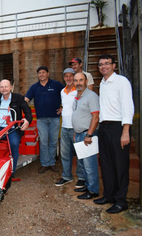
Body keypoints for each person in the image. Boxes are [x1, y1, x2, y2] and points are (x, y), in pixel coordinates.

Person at [93, 54, 134, 214]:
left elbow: (128, 107)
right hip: (104, 127)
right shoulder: (102, 83)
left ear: (113, 65)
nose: (103, 66)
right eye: (101, 64)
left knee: (120, 165)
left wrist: (125, 131)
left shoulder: (122, 82)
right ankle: (109, 195)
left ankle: (121, 200)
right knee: (107, 164)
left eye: (107, 64)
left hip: (118, 127)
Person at [0, 80, 32, 181]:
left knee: (13, 143)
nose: (4, 89)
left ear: (10, 87)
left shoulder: (18, 98)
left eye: (6, 86)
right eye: (2, 87)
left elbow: (27, 111)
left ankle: (12, 171)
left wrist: (27, 120)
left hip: (12, 128)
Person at [25, 66, 65, 173]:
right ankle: (44, 163)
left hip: (55, 118)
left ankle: (51, 163)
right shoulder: (34, 87)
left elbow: (67, 95)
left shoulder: (56, 85)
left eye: (43, 72)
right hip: (41, 120)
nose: (41, 74)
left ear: (47, 73)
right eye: (39, 73)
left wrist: (63, 107)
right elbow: (26, 99)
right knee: (43, 142)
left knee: (53, 141)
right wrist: (21, 107)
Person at [55, 68, 85, 188]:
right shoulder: (63, 91)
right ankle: (66, 176)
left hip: (75, 128)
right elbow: (67, 105)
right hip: (65, 127)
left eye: (71, 76)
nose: (68, 78)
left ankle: (82, 178)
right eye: (66, 76)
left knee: (79, 153)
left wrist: (77, 127)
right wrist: (63, 109)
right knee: (65, 153)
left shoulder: (79, 91)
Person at [71, 72, 100, 200]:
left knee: (90, 165)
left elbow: (95, 117)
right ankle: (88, 186)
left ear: (86, 81)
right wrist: (75, 133)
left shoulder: (91, 96)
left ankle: (93, 190)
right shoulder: (78, 96)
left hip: (87, 135)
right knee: (82, 164)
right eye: (76, 80)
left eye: (81, 80)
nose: (78, 83)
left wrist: (89, 134)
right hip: (79, 135)